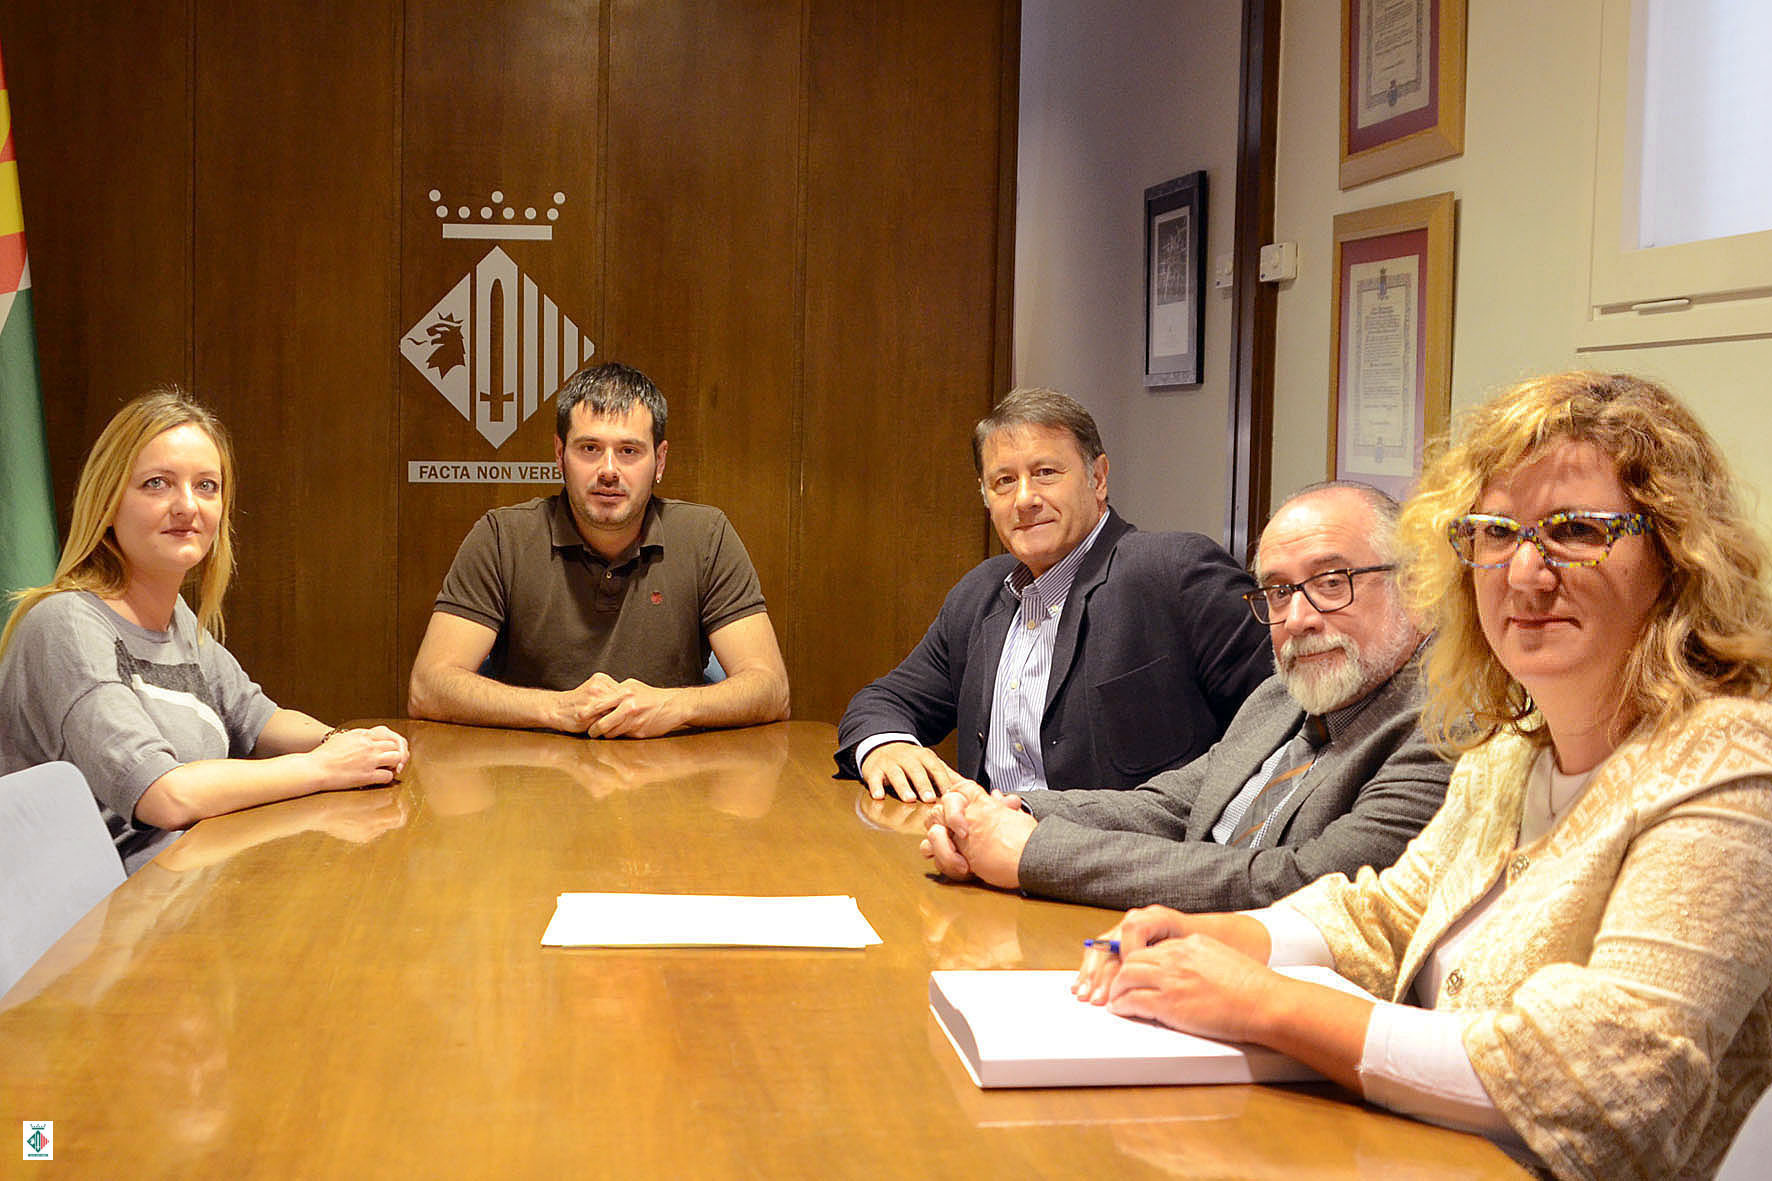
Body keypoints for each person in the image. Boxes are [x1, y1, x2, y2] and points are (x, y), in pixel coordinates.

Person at [1074, 373, 1772, 1178]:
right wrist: (1227, 935)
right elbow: (1387, 912)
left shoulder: (1732, 761)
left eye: (1577, 529)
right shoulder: (1510, 751)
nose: (1525, 571)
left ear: (1676, 553)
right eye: (1496, 532)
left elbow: (1607, 1078)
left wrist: (1263, 1000)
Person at [921, 482, 1451, 911]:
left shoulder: (1444, 729)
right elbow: (1175, 806)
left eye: (1332, 583)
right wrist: (998, 813)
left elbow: (1299, 883)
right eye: (1280, 591)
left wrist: (1034, 852)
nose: (1299, 619)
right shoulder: (1281, 697)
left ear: (1418, 589)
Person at [0, 388, 409, 873]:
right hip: (85, 923)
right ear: (108, 502)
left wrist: (351, 745)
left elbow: (257, 721)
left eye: (206, 486)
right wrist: (323, 768)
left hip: (179, 886)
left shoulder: (178, 621)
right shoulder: (65, 624)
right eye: (156, 483)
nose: (186, 506)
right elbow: (164, 796)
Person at [835, 387, 1272, 802]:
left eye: (1045, 473)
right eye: (1004, 481)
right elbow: (884, 700)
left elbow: (1278, 725)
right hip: (983, 859)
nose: (1025, 499)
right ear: (986, 498)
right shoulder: (980, 593)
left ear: (1098, 478)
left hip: (1124, 862)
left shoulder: (1176, 573)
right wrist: (887, 747)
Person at [407, 362, 790, 737]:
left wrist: (670, 706)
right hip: (528, 777)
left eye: (629, 451)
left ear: (660, 461)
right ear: (560, 456)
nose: (608, 470)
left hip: (670, 776)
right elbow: (428, 686)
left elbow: (771, 689)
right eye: (589, 448)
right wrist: (558, 710)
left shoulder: (707, 537)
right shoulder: (501, 537)